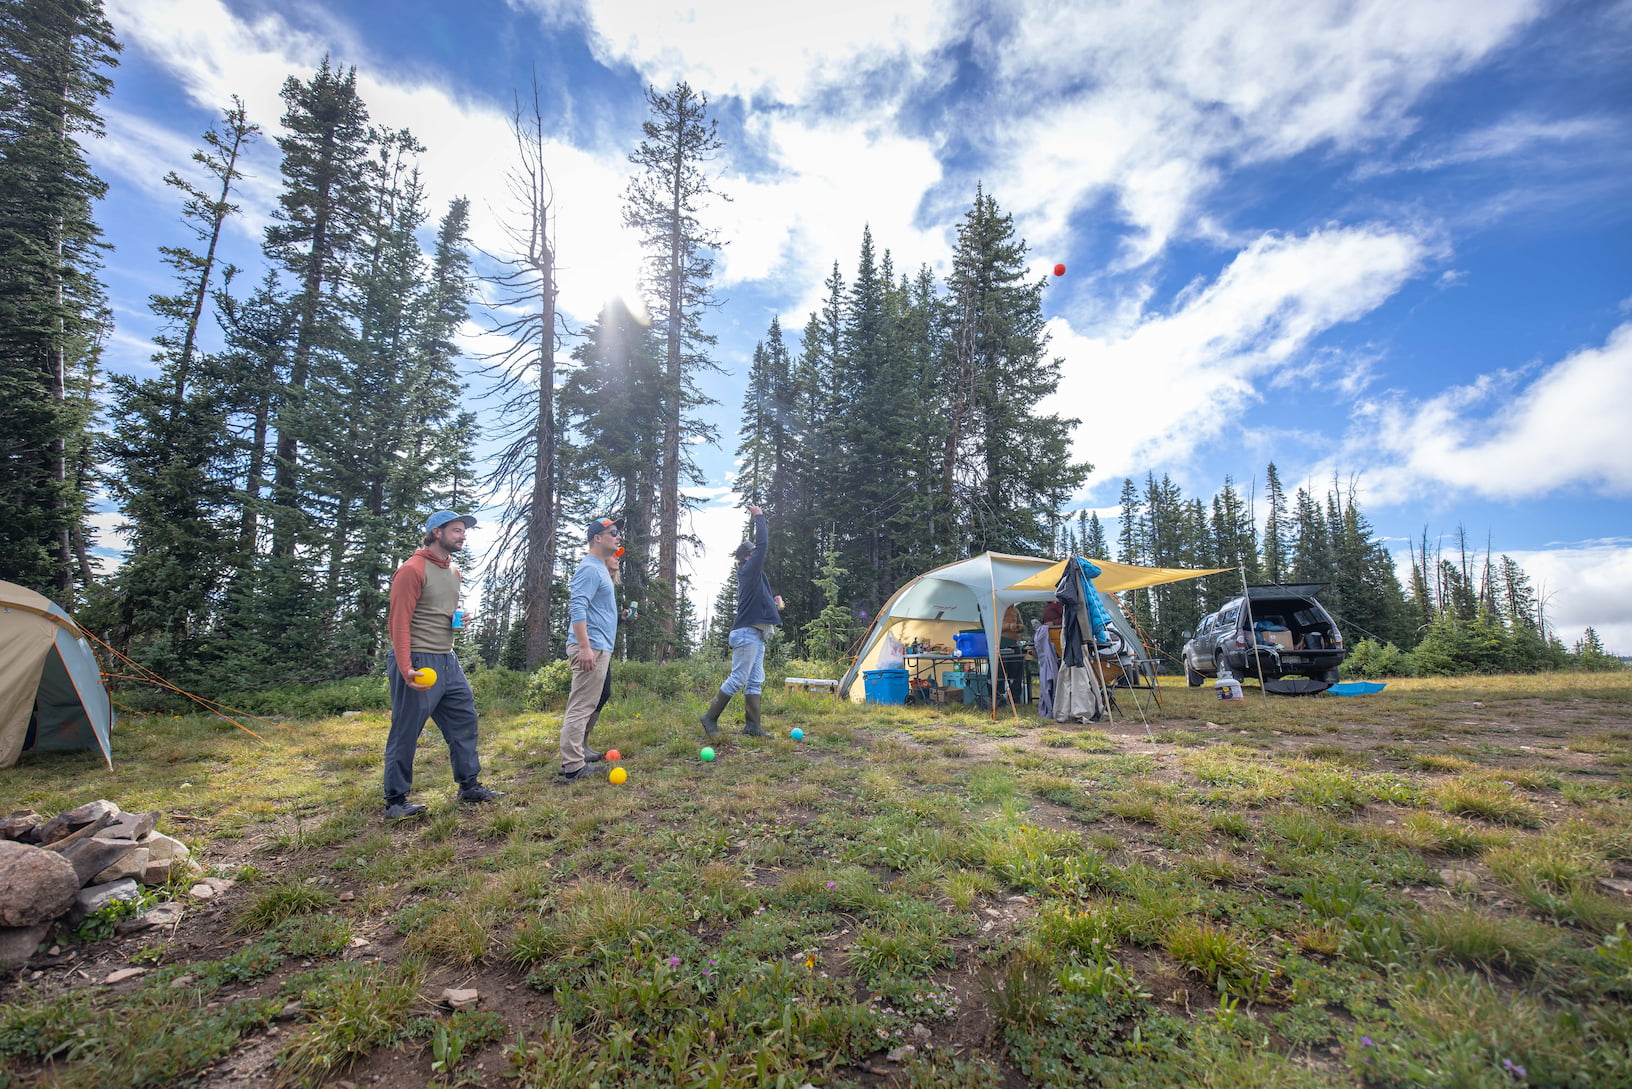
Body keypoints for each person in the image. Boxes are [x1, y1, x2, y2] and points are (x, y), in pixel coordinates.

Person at [383, 510, 503, 820]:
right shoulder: (412, 569)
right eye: (456, 530)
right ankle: (395, 800)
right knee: (406, 731)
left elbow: (439, 611)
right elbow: (398, 622)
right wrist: (406, 665)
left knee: (464, 719)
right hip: (419, 661)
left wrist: (455, 621)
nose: (463, 535)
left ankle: (469, 785)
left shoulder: (454, 571)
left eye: (464, 531)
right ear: (436, 532)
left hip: (448, 660)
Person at [700, 503, 780, 738]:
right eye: (753, 552)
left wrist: (773, 601)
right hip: (746, 634)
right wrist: (759, 517)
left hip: (755, 634)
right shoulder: (748, 569)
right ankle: (709, 717)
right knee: (738, 679)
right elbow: (763, 545)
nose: (758, 554)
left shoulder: (753, 575)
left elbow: (757, 600)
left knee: (755, 680)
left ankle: (752, 726)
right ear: (747, 556)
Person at [560, 516, 621, 782]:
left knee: (590, 702)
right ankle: (573, 766)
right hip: (591, 647)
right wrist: (584, 646)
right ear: (598, 537)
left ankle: (577, 755)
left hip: (598, 646)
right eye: (613, 533)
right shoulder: (589, 568)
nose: (618, 537)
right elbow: (577, 606)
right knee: (581, 706)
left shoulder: (599, 568)